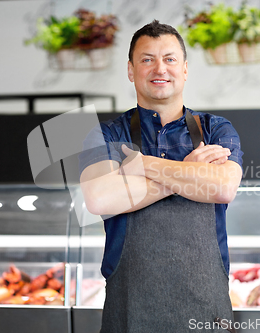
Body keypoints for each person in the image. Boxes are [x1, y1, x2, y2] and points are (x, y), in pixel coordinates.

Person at [79, 20, 243, 333]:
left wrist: (141, 166)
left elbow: (222, 188)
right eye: (147, 60)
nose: (160, 69)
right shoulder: (105, 134)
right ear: (130, 70)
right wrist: (192, 171)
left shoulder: (216, 129)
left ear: (184, 69)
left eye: (169, 59)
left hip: (206, 307)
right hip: (129, 306)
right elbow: (99, 198)